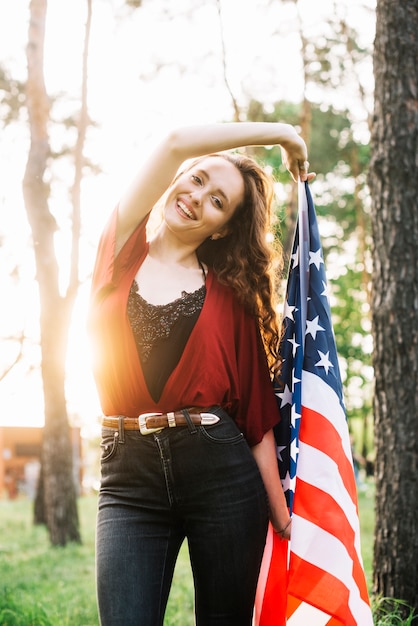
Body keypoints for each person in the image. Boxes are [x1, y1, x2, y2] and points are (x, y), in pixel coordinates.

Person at [88, 122, 313, 626]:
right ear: (178, 176)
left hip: (223, 477)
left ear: (221, 229)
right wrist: (282, 135)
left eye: (217, 201)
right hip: (128, 480)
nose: (196, 197)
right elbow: (170, 142)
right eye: (197, 179)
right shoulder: (119, 252)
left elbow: (255, 419)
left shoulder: (230, 299)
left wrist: (281, 517)